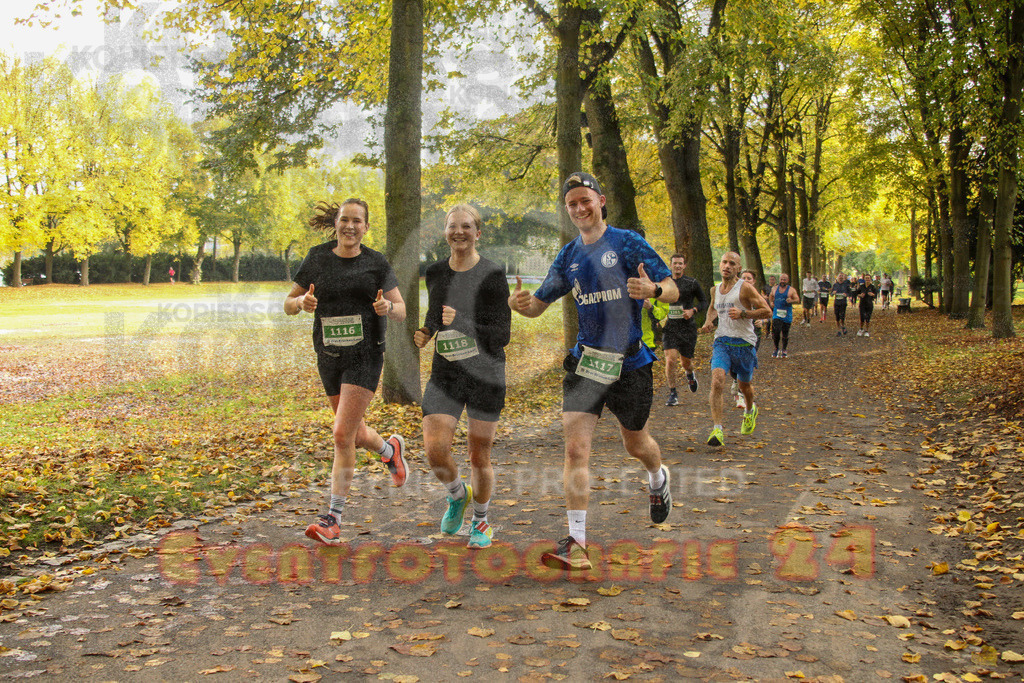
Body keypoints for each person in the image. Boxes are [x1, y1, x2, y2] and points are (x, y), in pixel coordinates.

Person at [508, 171, 679, 571]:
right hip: (587, 364)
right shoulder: (568, 256)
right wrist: (521, 305)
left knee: (636, 445)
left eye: (586, 200)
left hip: (630, 365)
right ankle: (578, 543)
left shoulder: (627, 242)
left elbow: (672, 287)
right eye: (572, 204)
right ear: (567, 210)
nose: (580, 208)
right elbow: (537, 305)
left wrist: (653, 290)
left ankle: (657, 477)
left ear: (601, 201)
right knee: (575, 448)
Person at [286, 198, 409, 545]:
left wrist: (388, 307)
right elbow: (287, 304)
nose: (350, 226)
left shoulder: (376, 263)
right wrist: (300, 303)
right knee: (353, 435)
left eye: (357, 221)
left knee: (341, 434)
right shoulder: (317, 257)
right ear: (336, 224)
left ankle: (333, 520)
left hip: (365, 355)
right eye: (345, 220)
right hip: (329, 354)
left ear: (366, 227)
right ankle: (389, 451)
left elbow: (400, 309)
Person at [414, 204, 511, 550]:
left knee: (478, 455)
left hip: (485, 373)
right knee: (435, 450)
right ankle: (458, 495)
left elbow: (502, 334)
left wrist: (462, 323)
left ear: (478, 232)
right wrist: (426, 331)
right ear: (445, 232)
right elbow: (435, 314)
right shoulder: (436, 272)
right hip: (447, 371)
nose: (459, 232)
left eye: (466, 226)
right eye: (453, 226)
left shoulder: (492, 273)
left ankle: (482, 521)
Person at [699, 252, 772, 447]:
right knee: (717, 381)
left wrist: (743, 313)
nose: (727, 266)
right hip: (722, 341)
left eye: (732, 263)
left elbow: (767, 311)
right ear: (720, 264)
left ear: (739, 268)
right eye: (724, 262)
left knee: (744, 386)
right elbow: (713, 307)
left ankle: (750, 411)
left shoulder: (745, 288)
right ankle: (717, 430)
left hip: (744, 344)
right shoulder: (715, 289)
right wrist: (708, 322)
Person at [663, 253, 707, 406]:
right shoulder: (664, 282)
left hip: (687, 327)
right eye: (675, 263)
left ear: (684, 265)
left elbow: (703, 301)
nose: (678, 266)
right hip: (670, 328)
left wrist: (693, 310)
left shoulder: (692, 282)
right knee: (670, 360)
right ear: (671, 264)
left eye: (680, 263)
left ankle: (690, 374)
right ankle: (673, 393)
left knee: (686, 362)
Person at [731, 269, 766, 409]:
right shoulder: (734, 294)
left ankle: (741, 395)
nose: (746, 280)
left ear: (754, 281)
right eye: (743, 277)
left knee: (747, 362)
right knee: (734, 363)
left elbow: (767, 312)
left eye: (749, 278)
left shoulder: (756, 296)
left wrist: (762, 321)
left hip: (753, 334)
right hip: (736, 333)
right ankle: (735, 381)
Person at [769, 273, 799, 358]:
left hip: (787, 314)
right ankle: (776, 348)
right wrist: (771, 302)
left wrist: (791, 300)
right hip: (777, 314)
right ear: (779, 280)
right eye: (781, 279)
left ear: (787, 280)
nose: (782, 281)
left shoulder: (791, 290)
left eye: (784, 280)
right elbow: (771, 296)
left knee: (785, 333)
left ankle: (784, 349)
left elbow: (797, 299)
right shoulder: (774, 288)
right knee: (776, 331)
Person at [831, 271, 852, 336]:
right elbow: (831, 294)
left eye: (842, 276)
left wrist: (846, 294)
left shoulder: (846, 285)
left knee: (842, 316)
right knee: (837, 317)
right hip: (836, 302)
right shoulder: (835, 285)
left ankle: (843, 326)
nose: (840, 277)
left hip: (843, 303)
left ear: (843, 278)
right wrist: (833, 293)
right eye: (839, 276)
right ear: (837, 277)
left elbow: (850, 293)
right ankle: (839, 330)